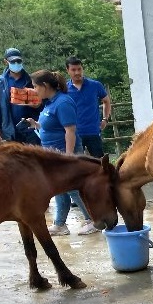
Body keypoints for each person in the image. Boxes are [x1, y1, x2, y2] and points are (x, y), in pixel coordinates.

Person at [29, 70, 98, 235]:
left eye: (35, 87)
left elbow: (70, 131)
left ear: (45, 86)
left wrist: (68, 157)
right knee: (59, 188)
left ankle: (93, 220)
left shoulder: (63, 102)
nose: (34, 90)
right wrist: (35, 125)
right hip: (53, 156)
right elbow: (51, 126)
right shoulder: (50, 103)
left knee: (73, 188)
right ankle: (60, 224)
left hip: (64, 154)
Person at [0, 48, 40, 145]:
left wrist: (34, 102)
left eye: (18, 61)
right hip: (10, 130)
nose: (16, 63)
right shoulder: (0, 82)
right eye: (13, 61)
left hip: (29, 128)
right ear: (6, 62)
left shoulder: (31, 80)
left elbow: (42, 102)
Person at [65, 56, 113, 157]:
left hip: (93, 132)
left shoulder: (95, 85)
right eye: (73, 70)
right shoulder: (64, 89)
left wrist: (105, 119)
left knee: (99, 163)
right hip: (74, 134)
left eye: (79, 69)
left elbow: (106, 101)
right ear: (67, 70)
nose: (77, 72)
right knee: (78, 164)